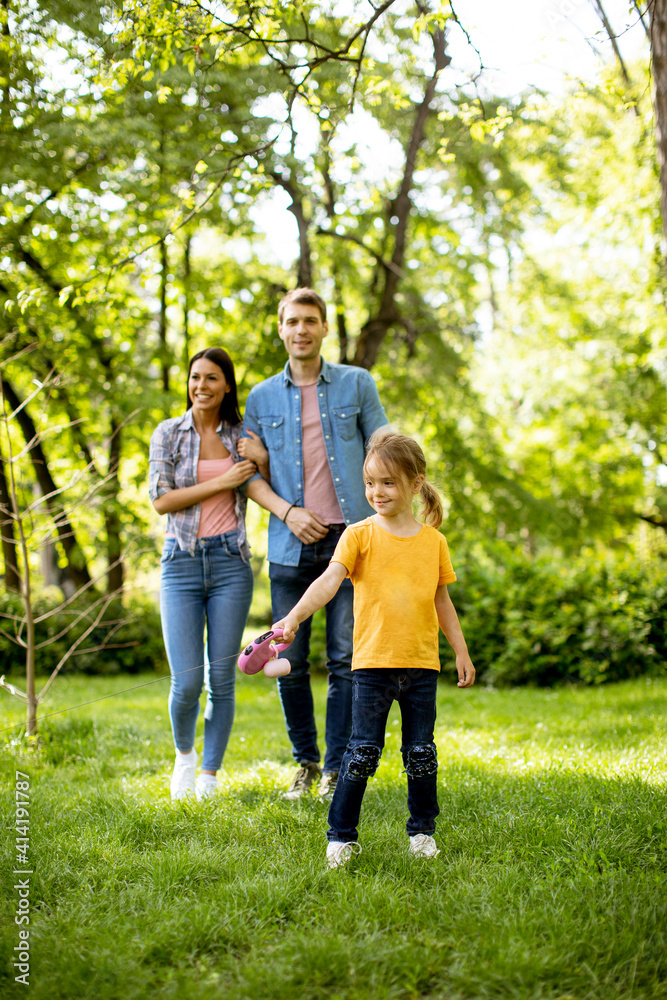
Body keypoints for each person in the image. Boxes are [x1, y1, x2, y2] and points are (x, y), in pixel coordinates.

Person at [273, 429, 476, 867]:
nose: (376, 492)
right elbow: (329, 582)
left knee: (421, 753)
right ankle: (341, 837)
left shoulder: (433, 543)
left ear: (415, 484)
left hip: (421, 666)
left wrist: (460, 651)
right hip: (372, 666)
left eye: (387, 482)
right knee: (361, 752)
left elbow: (443, 601)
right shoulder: (358, 535)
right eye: (370, 482)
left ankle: (422, 833)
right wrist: (293, 618)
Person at [240, 287, 388, 800]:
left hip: (350, 542)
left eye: (310, 321)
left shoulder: (356, 384)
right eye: (292, 322)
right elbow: (248, 476)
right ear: (280, 329)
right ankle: (303, 762)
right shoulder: (259, 399)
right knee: (290, 657)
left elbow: (384, 447)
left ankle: (335, 768)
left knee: (346, 657)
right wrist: (288, 511)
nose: (301, 330)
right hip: (289, 544)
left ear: (324, 327)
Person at [149, 347, 269, 801]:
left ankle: (210, 775)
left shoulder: (241, 436)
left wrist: (261, 457)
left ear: (227, 386)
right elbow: (161, 500)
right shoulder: (167, 433)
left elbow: (268, 484)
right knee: (187, 682)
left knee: (222, 681)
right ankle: (184, 757)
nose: (202, 386)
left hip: (229, 566)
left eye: (212, 378)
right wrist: (221, 482)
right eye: (195, 377)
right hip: (180, 562)